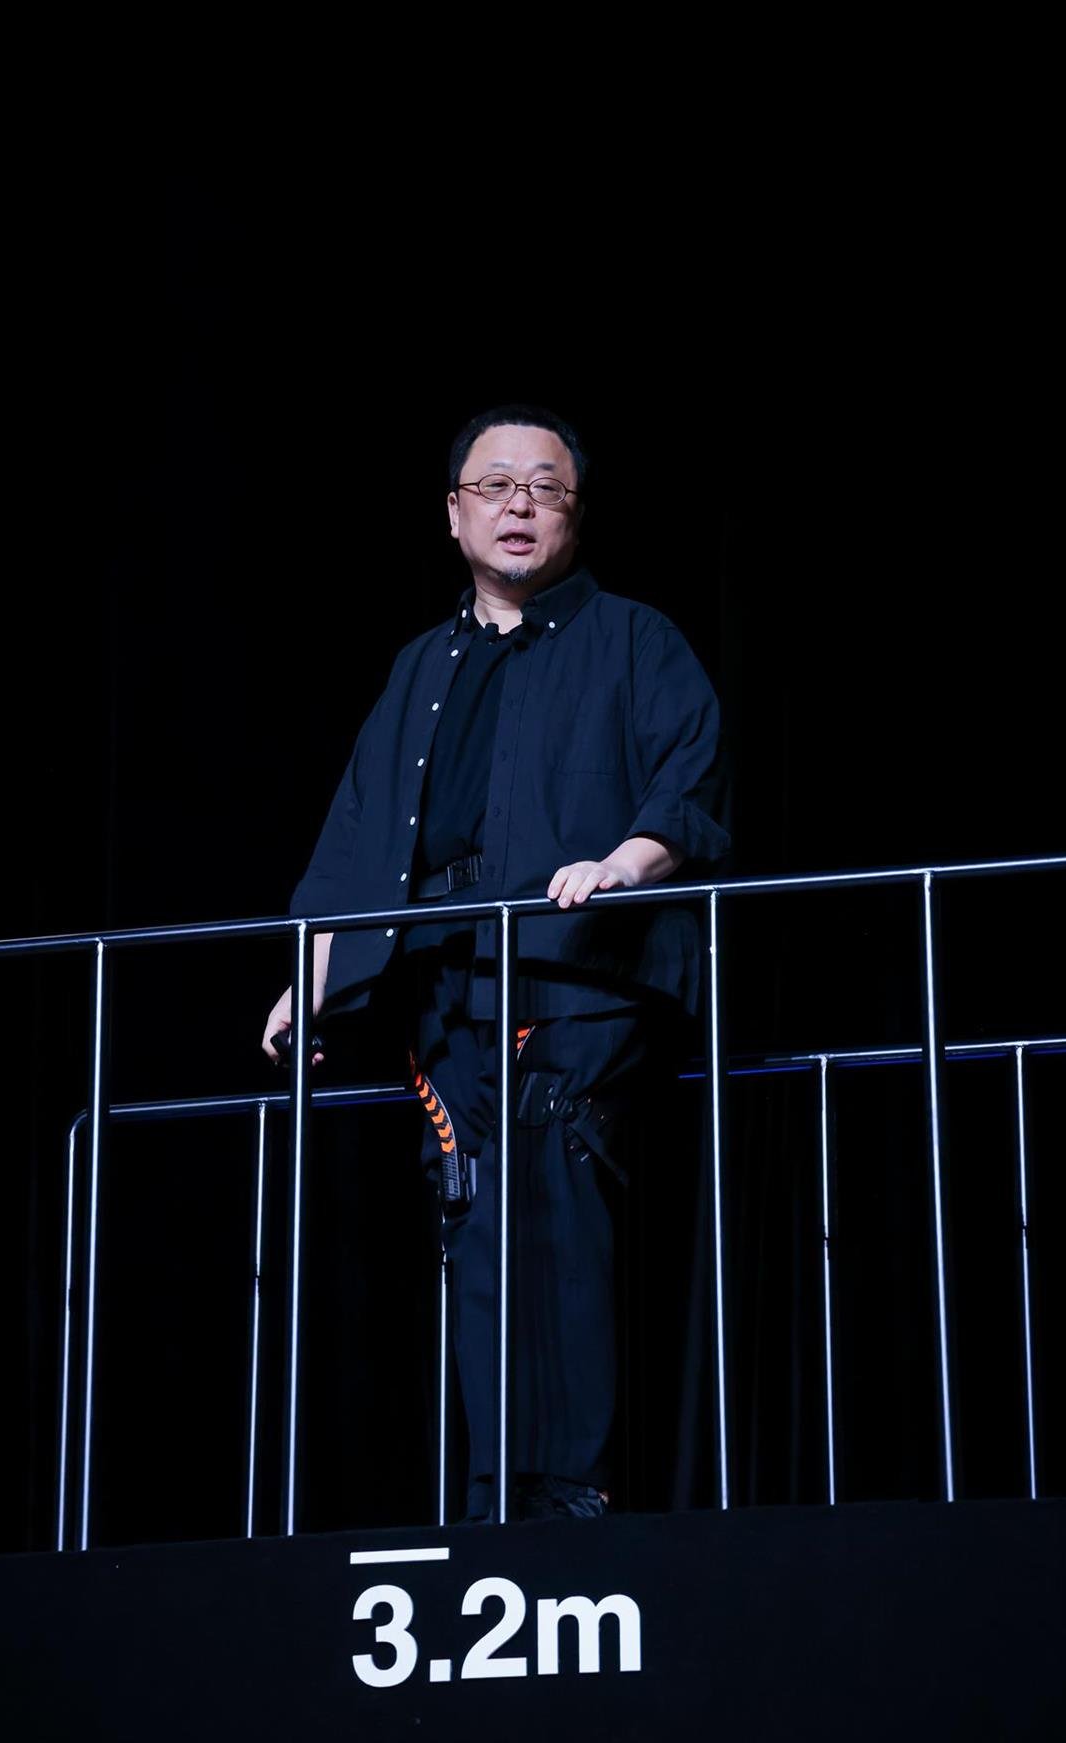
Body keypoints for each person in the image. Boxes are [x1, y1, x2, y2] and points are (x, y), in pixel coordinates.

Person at [263, 404, 728, 1521]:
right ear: (454, 513)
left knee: (553, 1191)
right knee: (472, 1216)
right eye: (496, 486)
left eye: (546, 488)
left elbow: (691, 779)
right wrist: (309, 981)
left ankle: (565, 1493)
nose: (520, 505)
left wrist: (622, 864)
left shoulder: (634, 638)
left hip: (574, 970)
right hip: (443, 977)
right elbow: (359, 842)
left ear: (575, 513)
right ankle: (494, 1501)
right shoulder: (420, 667)